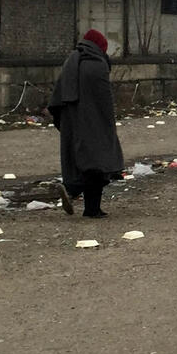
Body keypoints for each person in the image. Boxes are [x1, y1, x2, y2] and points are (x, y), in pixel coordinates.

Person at [48, 29, 125, 219]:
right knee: (100, 164)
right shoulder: (97, 65)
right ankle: (78, 194)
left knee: (85, 162)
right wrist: (108, 125)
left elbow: (57, 95)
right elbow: (105, 100)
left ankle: (86, 203)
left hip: (72, 121)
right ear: (101, 47)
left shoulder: (71, 61)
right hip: (95, 122)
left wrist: (64, 119)